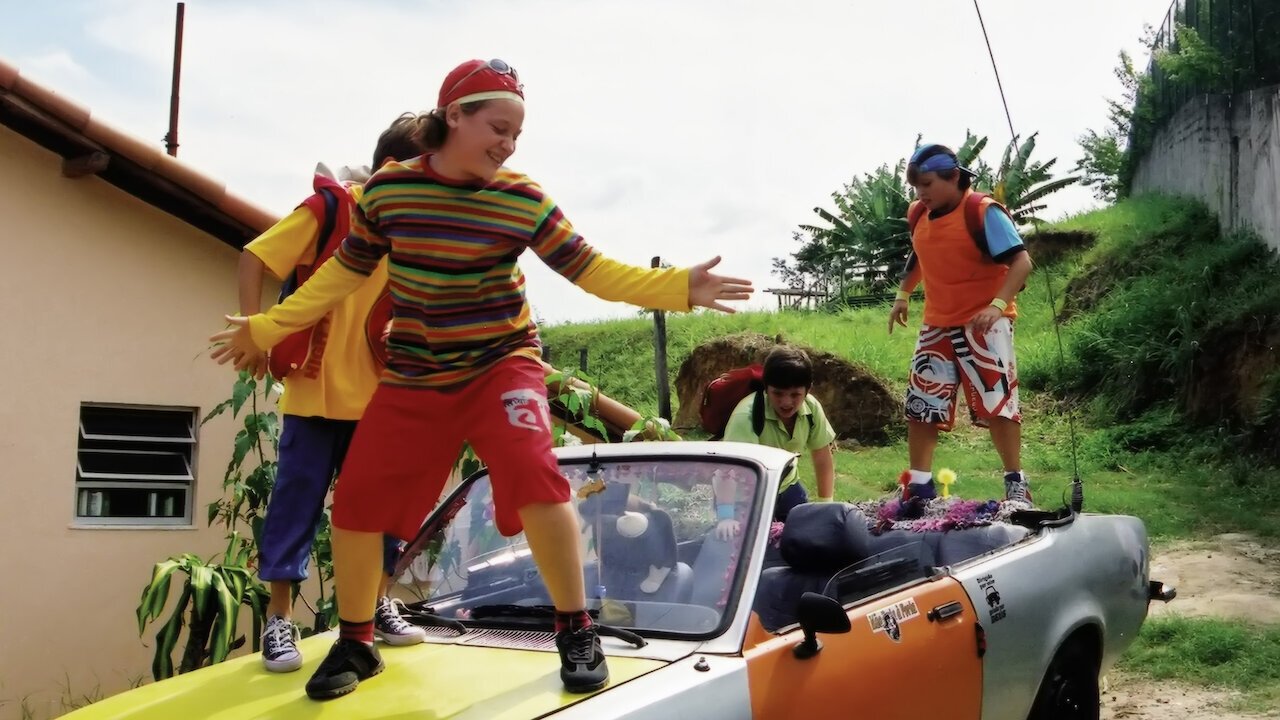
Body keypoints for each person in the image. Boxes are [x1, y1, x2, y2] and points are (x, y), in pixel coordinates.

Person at [210, 58, 754, 700]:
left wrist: (677, 286)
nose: (508, 144)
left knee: (534, 476)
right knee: (356, 501)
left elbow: (591, 270)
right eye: (498, 128)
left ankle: (575, 629)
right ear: (454, 116)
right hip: (416, 373)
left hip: (501, 364)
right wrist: (268, 326)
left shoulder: (521, 198)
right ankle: (356, 642)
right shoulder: (389, 192)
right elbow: (342, 273)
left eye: (517, 135)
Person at [235, 115, 430, 673]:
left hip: (384, 396)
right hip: (315, 391)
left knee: (382, 508)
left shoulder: (419, 229)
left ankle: (377, 603)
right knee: (295, 503)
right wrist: (255, 331)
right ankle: (279, 619)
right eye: (429, 167)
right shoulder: (331, 209)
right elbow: (254, 256)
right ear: (393, 168)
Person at [887, 143, 1034, 512]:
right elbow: (920, 252)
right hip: (937, 323)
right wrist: (903, 294)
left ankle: (1016, 483)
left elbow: (1022, 262)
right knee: (922, 404)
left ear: (953, 177)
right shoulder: (919, 213)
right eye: (916, 187)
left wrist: (997, 306)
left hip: (984, 325)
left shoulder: (982, 212)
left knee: (998, 403)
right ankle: (918, 486)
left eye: (927, 184)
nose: (921, 193)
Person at [720, 346, 836, 529]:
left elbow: (822, 457)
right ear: (766, 388)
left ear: (808, 390)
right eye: (778, 393)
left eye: (795, 394)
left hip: (787, 485)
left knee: (806, 535)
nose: (786, 402)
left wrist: (826, 505)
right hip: (746, 495)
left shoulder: (812, 409)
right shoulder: (746, 417)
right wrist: (726, 517)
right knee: (744, 542)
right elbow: (730, 471)